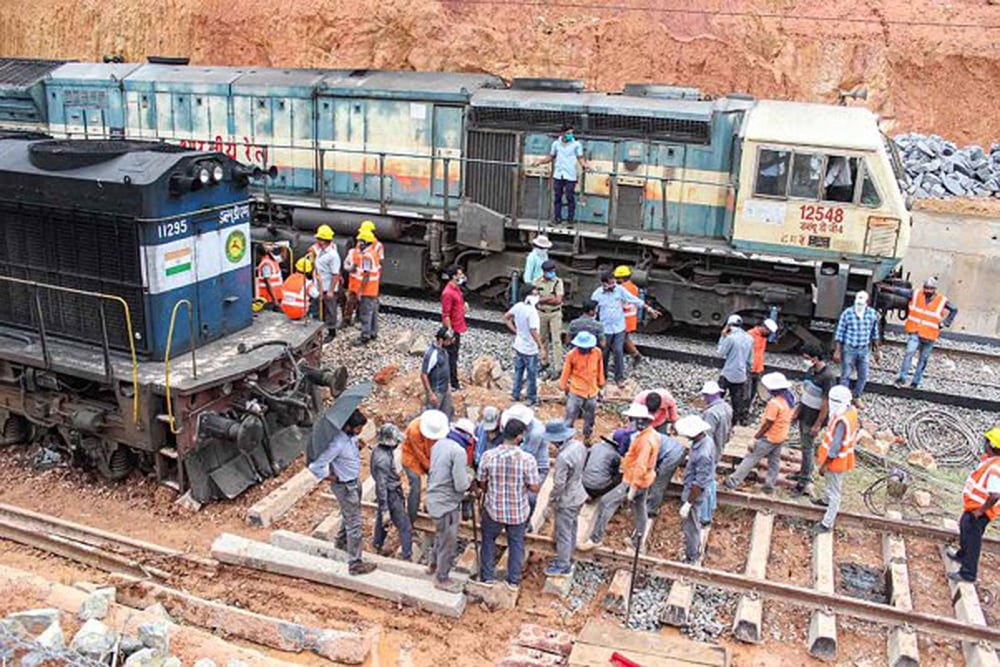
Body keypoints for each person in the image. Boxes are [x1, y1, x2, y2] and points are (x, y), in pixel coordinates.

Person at [579, 402, 660, 551]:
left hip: (633, 480)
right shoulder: (651, 435)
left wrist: (632, 488)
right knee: (640, 508)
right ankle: (637, 541)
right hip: (644, 480)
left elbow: (641, 465)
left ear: (640, 421)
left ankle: (595, 539)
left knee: (606, 502)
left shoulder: (645, 441)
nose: (629, 423)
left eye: (631, 419)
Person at [306, 409, 377, 575]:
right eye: (358, 427)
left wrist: (357, 446)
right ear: (348, 426)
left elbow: (347, 454)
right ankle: (355, 563)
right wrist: (329, 477)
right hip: (345, 486)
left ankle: (341, 541)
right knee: (355, 524)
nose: (360, 430)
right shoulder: (336, 443)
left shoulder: (348, 438)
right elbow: (315, 466)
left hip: (353, 481)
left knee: (350, 514)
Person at [478, 419, 540, 589]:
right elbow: (534, 487)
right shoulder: (527, 459)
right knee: (516, 544)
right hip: (517, 511)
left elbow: (482, 483)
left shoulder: (488, 456)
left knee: (488, 541)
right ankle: (513, 581)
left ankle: (487, 578)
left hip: (494, 509)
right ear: (519, 436)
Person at [724, 372, 795, 494]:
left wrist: (756, 437)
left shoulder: (774, 403)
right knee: (774, 461)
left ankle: (733, 481)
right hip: (780, 436)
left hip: (769, 438)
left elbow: (768, 423)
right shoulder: (788, 400)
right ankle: (769, 485)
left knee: (751, 458)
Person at [946, 427, 1000, 583]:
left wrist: (981, 511)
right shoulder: (990, 461)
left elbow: (995, 495)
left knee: (972, 540)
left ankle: (968, 574)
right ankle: (962, 555)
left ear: (993, 446)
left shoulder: (996, 468)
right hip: (973, 509)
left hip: (979, 512)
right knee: (965, 530)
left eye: (987, 441)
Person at [425, 422, 473, 592]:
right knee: (448, 541)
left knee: (440, 535)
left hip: (433, 499)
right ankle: (442, 577)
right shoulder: (458, 452)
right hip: (446, 504)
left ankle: (432, 564)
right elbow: (461, 485)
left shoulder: (439, 444)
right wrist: (470, 479)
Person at [887, 277, 958, 389]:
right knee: (909, 353)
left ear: (935, 289)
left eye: (930, 289)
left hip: (930, 334)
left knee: (923, 359)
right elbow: (901, 292)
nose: (927, 291)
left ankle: (915, 382)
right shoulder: (916, 294)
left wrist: (945, 323)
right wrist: (888, 288)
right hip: (916, 331)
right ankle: (901, 379)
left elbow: (954, 309)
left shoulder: (942, 300)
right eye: (926, 288)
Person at [591, 271, 661, 386]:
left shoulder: (619, 290)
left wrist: (648, 309)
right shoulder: (597, 294)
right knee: (604, 353)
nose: (613, 284)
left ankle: (619, 378)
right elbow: (593, 311)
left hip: (619, 328)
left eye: (614, 281)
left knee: (618, 351)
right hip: (605, 329)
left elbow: (633, 299)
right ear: (604, 284)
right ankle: (602, 377)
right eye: (610, 282)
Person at [541, 420, 587, 576]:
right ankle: (568, 556)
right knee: (572, 526)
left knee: (563, 532)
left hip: (567, 499)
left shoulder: (563, 457)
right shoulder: (579, 446)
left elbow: (559, 484)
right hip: (579, 493)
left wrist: (551, 501)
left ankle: (562, 564)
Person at [792, 344, 837, 497]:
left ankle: (805, 480)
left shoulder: (828, 377)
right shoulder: (811, 371)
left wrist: (818, 424)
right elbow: (805, 393)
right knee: (804, 446)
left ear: (815, 358)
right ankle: (803, 472)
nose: (805, 361)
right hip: (804, 413)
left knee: (808, 448)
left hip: (813, 418)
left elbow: (825, 403)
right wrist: (797, 411)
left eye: (806, 358)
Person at [813, 385, 859, 533]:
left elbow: (835, 447)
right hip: (839, 459)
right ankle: (825, 500)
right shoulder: (851, 412)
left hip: (835, 461)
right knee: (831, 484)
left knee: (835, 492)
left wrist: (825, 465)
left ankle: (827, 523)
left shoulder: (841, 420)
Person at [676, 415, 717, 563]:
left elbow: (698, 483)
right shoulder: (705, 440)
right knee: (692, 522)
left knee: (691, 525)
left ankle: (691, 556)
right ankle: (694, 550)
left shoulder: (703, 454)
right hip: (693, 487)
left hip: (694, 492)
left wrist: (688, 503)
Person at [531, 124, 588, 226]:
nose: (570, 135)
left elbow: (580, 158)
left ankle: (570, 219)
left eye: (571, 133)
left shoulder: (576, 144)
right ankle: (558, 218)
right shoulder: (556, 144)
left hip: (570, 174)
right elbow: (551, 157)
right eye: (568, 133)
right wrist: (540, 161)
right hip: (558, 174)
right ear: (563, 133)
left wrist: (585, 165)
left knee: (570, 196)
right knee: (557, 196)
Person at [500, 404, 551, 516]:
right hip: (520, 460)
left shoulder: (536, 433)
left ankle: (526, 522)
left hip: (537, 467)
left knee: (530, 497)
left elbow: (526, 456)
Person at [371, 424, 412, 561]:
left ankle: (377, 544)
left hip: (389, 493)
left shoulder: (378, 451)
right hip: (391, 494)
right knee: (404, 525)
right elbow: (381, 485)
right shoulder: (383, 460)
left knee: (382, 521)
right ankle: (407, 556)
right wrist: (384, 507)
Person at [400, 410, 450, 525]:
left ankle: (429, 508)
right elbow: (420, 455)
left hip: (428, 457)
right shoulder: (414, 430)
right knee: (416, 487)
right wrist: (432, 469)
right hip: (411, 459)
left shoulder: (436, 427)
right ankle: (410, 519)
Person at [833, 290, 880, 404]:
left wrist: (876, 351)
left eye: (861, 304)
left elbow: (874, 333)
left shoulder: (872, 314)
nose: (859, 306)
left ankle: (856, 396)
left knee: (863, 375)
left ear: (867, 303)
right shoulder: (847, 313)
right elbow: (840, 334)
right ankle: (843, 398)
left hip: (864, 349)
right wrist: (837, 351)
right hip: (849, 349)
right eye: (857, 303)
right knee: (845, 375)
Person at [560, 331, 604, 441]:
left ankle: (587, 436)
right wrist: (563, 386)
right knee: (570, 415)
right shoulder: (572, 355)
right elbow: (566, 372)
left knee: (590, 416)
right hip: (576, 391)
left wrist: (601, 383)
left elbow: (600, 368)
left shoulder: (597, 353)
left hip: (592, 391)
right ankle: (566, 438)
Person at [505, 291, 542, 406]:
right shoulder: (532, 312)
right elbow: (533, 330)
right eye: (536, 294)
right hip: (530, 348)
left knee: (518, 372)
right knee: (531, 375)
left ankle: (515, 394)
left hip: (519, 345)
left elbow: (506, 318)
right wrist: (541, 346)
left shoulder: (518, 306)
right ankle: (531, 398)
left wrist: (516, 331)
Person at [717, 314, 754, 425]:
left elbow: (720, 353)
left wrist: (722, 337)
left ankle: (718, 417)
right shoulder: (749, 338)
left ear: (729, 325)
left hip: (727, 373)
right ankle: (734, 422)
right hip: (741, 375)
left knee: (718, 398)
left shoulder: (730, 338)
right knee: (737, 401)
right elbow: (750, 360)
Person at [645, 428, 687, 518]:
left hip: (671, 456)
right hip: (675, 449)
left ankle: (651, 510)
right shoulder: (643, 435)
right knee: (657, 478)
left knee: (659, 483)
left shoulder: (641, 443)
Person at [533, 259, 565, 377]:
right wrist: (550, 298)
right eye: (549, 271)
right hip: (541, 313)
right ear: (544, 272)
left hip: (555, 313)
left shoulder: (558, 282)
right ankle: (544, 362)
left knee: (557, 340)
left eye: (553, 271)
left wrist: (542, 299)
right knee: (542, 339)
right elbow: (534, 300)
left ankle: (558, 367)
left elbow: (558, 300)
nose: (552, 273)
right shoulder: (537, 282)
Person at [351, 229, 382, 346]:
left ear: (364, 242)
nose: (358, 243)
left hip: (368, 289)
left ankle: (365, 336)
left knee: (365, 313)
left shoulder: (366, 257)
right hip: (373, 288)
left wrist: (360, 291)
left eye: (359, 241)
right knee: (373, 311)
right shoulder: (373, 252)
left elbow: (366, 275)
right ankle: (373, 332)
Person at [440, 266, 467, 391]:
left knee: (453, 356)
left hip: (457, 327)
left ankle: (452, 382)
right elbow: (445, 314)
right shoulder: (448, 293)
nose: (462, 276)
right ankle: (452, 384)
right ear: (453, 276)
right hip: (453, 329)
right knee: (451, 357)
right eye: (459, 274)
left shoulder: (456, 289)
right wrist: (449, 332)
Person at [614, 265, 646, 369]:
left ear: (621, 278)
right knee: (624, 338)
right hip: (630, 318)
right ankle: (636, 355)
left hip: (623, 319)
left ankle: (618, 364)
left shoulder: (621, 289)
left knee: (617, 341)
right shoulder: (633, 287)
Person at [312, 225, 341, 339]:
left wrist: (331, 291)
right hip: (319, 286)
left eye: (319, 239)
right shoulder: (321, 251)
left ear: (323, 241)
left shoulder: (333, 256)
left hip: (327, 287)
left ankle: (332, 332)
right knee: (321, 309)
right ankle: (321, 328)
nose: (317, 241)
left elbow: (335, 274)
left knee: (330, 310)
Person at [421, 327, 455, 419]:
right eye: (448, 340)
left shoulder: (444, 351)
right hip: (436, 391)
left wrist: (448, 385)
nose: (450, 342)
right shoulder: (432, 354)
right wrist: (430, 393)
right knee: (432, 416)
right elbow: (424, 374)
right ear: (440, 340)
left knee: (447, 413)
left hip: (444, 389)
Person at [700, 380, 732, 464]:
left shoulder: (711, 413)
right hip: (720, 445)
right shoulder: (727, 407)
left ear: (708, 395)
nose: (704, 398)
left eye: (705, 395)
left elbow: (706, 436)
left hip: (709, 452)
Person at [582, 435, 623, 500]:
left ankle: (589, 494)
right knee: (620, 477)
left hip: (584, 483)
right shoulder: (615, 455)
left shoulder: (595, 446)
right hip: (598, 488)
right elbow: (614, 473)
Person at [748, 319, 778, 402]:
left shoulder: (763, 337)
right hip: (749, 369)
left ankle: (748, 405)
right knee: (747, 392)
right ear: (764, 328)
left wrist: (760, 368)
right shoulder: (750, 335)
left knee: (752, 391)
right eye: (769, 332)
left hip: (757, 369)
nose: (769, 335)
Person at [255, 242, 285, 308]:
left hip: (277, 296)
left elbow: (282, 258)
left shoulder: (271, 259)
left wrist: (283, 247)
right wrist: (275, 301)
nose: (270, 245)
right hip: (268, 299)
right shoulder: (266, 264)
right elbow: (268, 283)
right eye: (267, 245)